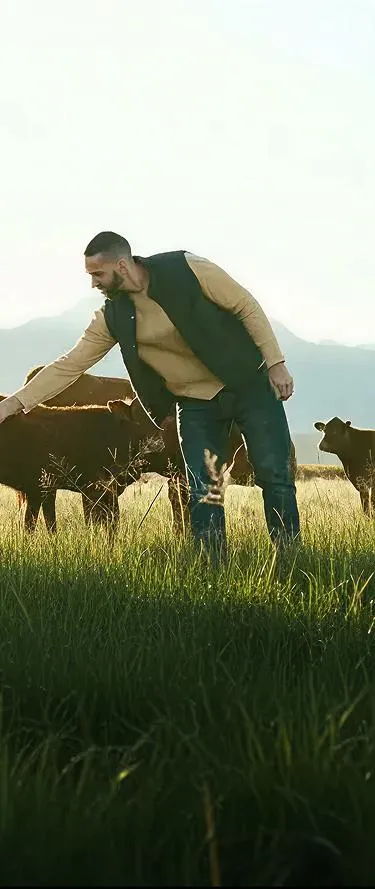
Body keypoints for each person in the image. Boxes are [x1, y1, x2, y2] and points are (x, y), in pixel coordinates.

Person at [0, 232, 300, 563]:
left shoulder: (188, 268)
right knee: (203, 489)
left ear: (122, 264)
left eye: (98, 274)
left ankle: (288, 559)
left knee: (276, 477)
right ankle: (214, 569)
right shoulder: (112, 318)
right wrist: (13, 404)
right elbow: (68, 365)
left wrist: (276, 363)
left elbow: (245, 305)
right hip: (194, 403)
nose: (94, 284)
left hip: (248, 384)